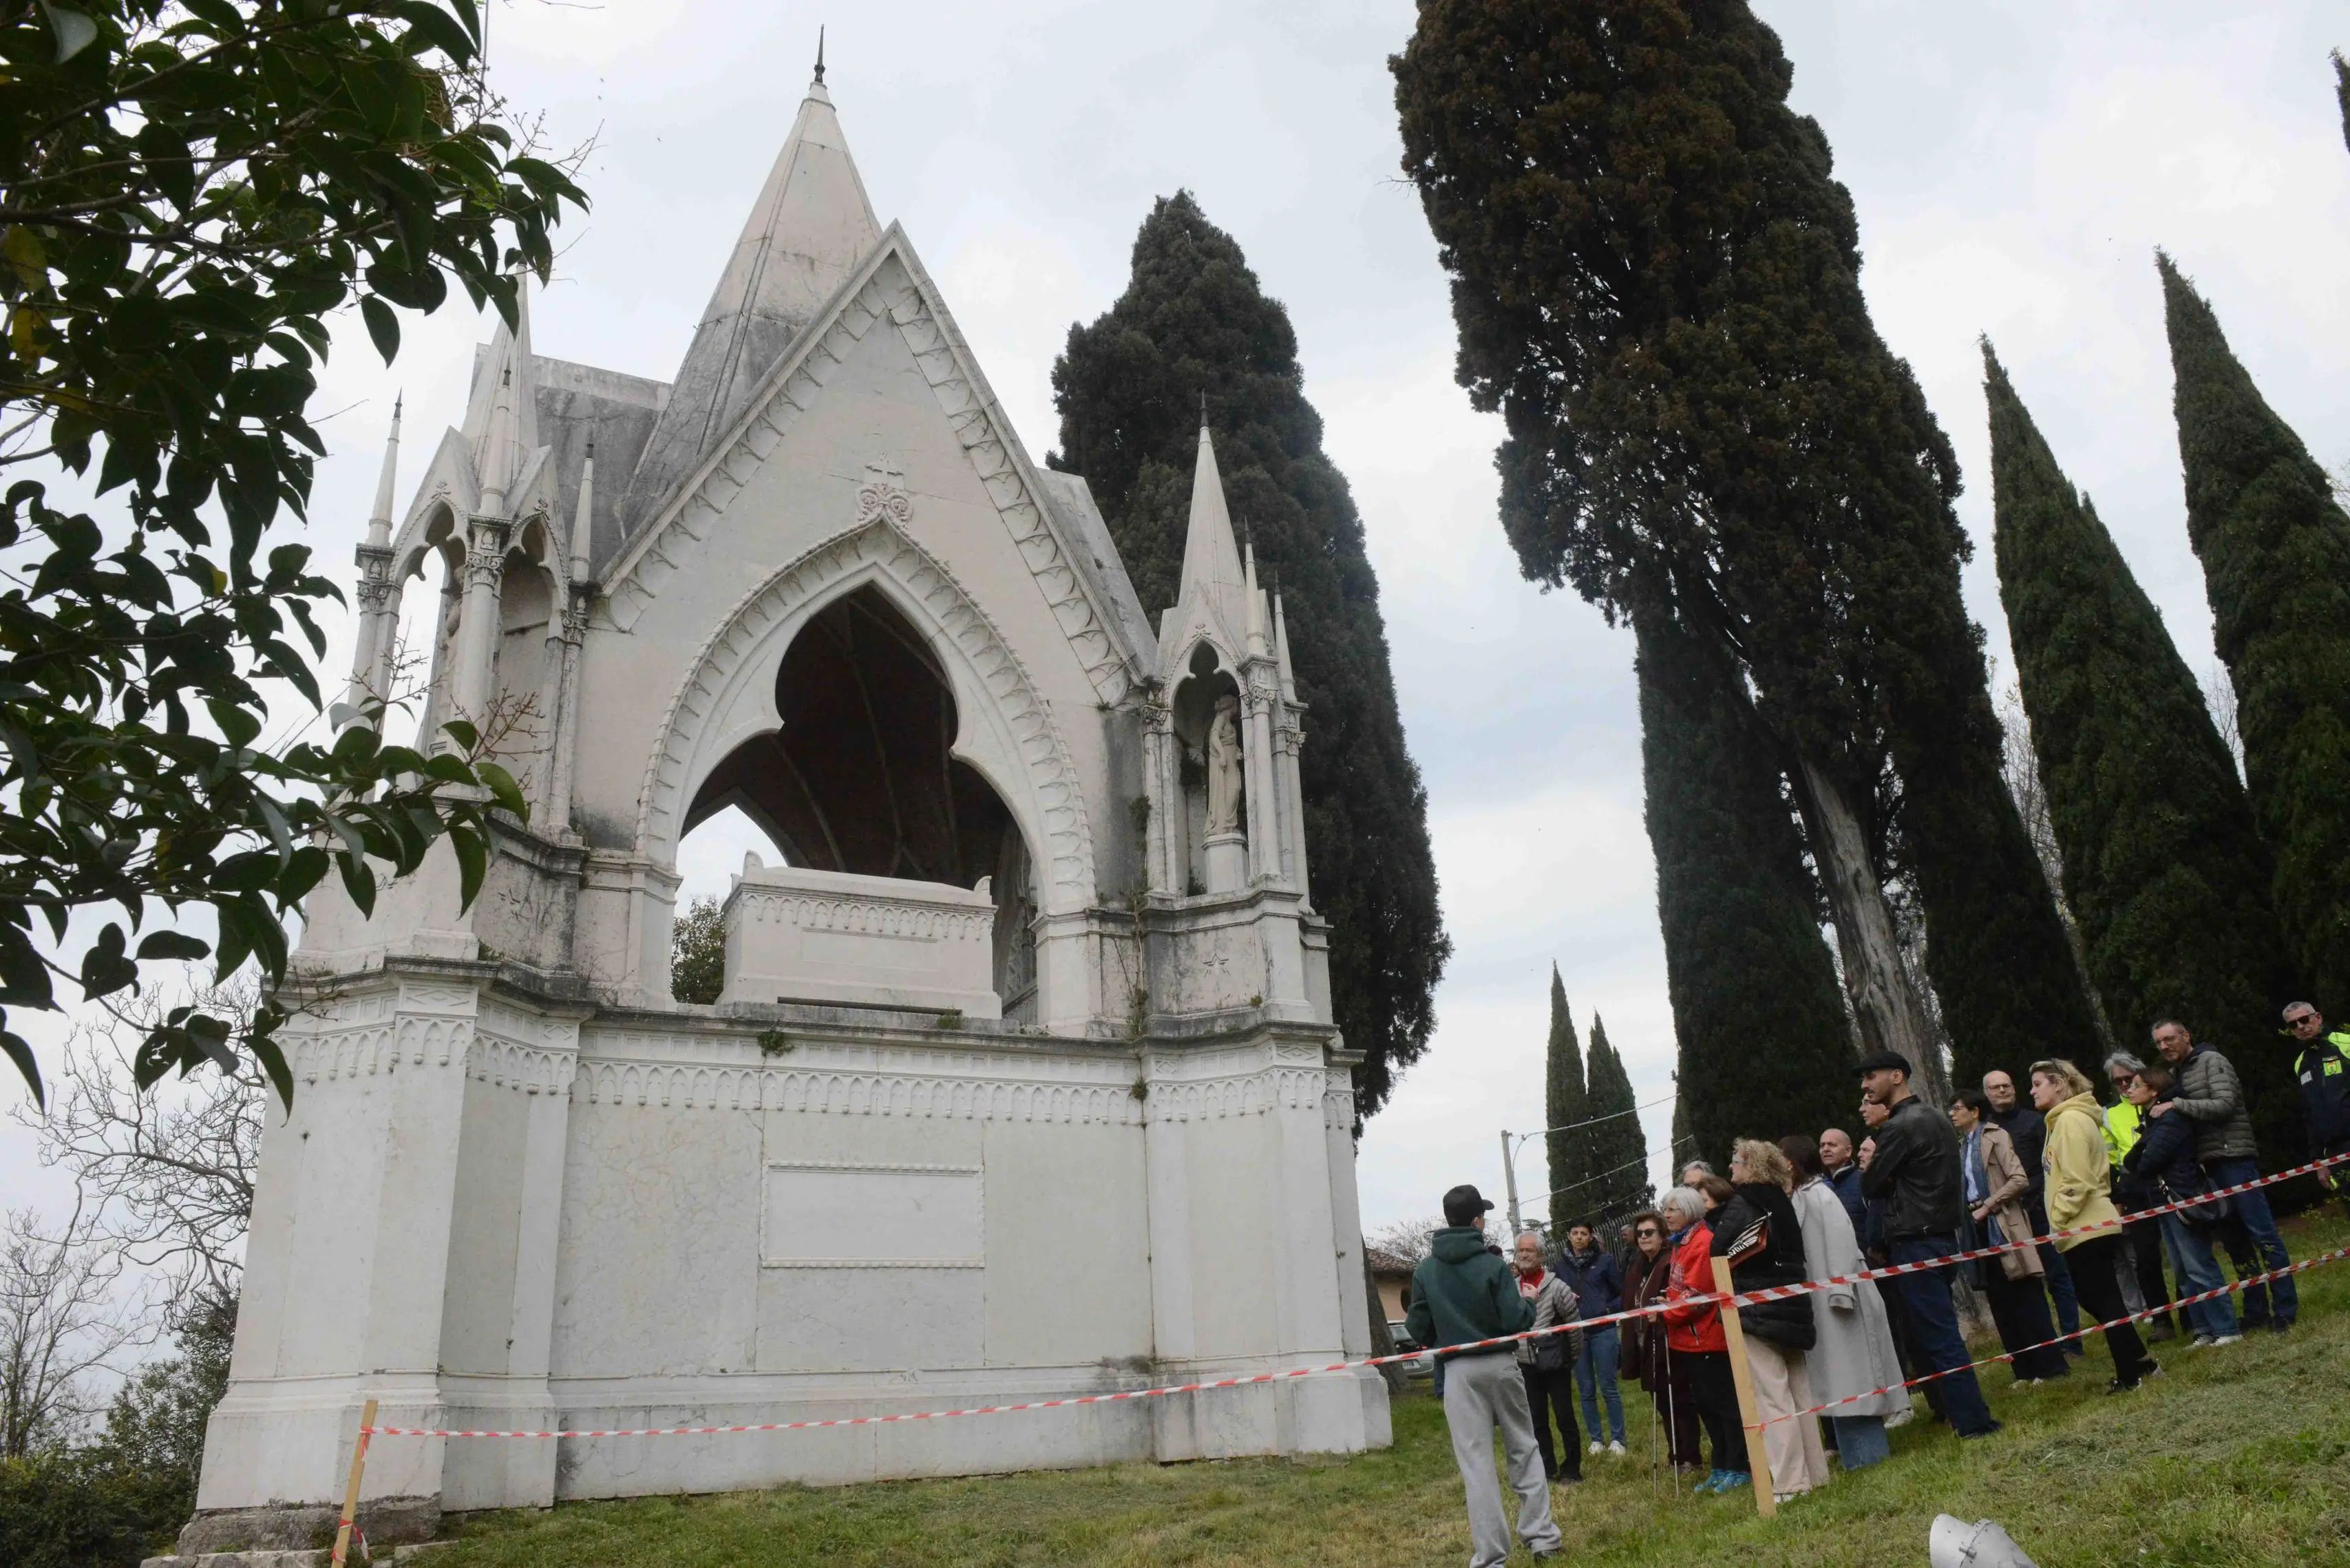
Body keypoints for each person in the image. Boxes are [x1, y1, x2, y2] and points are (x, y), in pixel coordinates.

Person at [1404, 1185, 1562, 1566]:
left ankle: (1490, 1557)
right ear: (1477, 1221)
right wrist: (1528, 1300)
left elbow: (1418, 1328)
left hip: (1458, 1370)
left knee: (1475, 1464)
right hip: (1501, 1364)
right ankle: (1542, 1538)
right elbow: (1516, 1320)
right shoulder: (1493, 1266)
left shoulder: (1426, 1270)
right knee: (1524, 1447)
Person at [1856, 1049, 2002, 1439]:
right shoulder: (1936, 1117)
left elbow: (1870, 1184)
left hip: (1916, 1241)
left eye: (1871, 1076)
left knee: (1938, 1336)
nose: (1865, 1086)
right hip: (1940, 1237)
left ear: (1897, 1076)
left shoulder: (1899, 1126)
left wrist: (1885, 1177)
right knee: (1939, 1332)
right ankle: (1964, 1414)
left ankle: (1973, 1422)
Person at [2151, 1019, 2296, 1333]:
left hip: (2234, 1158)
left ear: (2186, 1036)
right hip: (2206, 1165)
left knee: (2263, 1234)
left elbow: (2225, 1104)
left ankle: (2286, 1309)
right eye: (2159, 1043)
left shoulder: (2211, 1061)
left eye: (2170, 1039)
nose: (2164, 1046)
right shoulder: (2176, 1073)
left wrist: (2177, 1104)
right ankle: (2256, 1311)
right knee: (2235, 1242)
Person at [1782, 1134, 1909, 1470]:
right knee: (1838, 1379)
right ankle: (1855, 1456)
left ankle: (1869, 1457)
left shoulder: (1821, 1195)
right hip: (1824, 1304)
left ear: (1791, 1164)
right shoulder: (1801, 1197)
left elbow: (1841, 1243)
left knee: (1854, 1376)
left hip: (1843, 1301)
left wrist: (1840, 1291)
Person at [1712, 1140, 1828, 1503]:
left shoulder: (1744, 1202)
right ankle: (1815, 1472)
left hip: (1755, 1307)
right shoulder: (1782, 1201)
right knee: (1799, 1390)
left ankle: (1790, 1482)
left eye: (1736, 1162)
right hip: (1792, 1304)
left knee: (1771, 1395)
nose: (1731, 1168)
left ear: (1751, 1167)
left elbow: (1718, 1251)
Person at [2032, 1058, 2157, 1391]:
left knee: (2103, 1299)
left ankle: (2130, 1376)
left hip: (2086, 1225)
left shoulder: (2071, 1120)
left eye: (2038, 1084)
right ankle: (2142, 1361)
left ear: (2059, 1084)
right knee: (2095, 1297)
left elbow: (2078, 1179)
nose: (2032, 1091)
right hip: (2080, 1226)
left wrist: (2059, 1218)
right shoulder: (2062, 1121)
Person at [1948, 1090, 2068, 1384]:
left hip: (2003, 1223)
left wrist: (1989, 1204)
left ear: (1975, 1111)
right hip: (1976, 1226)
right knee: (1999, 1300)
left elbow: (2019, 1179)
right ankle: (2023, 1370)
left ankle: (2050, 1365)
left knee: (2025, 1295)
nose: (1952, 1114)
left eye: (1957, 1108)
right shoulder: (1962, 1147)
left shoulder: (1996, 1136)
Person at [2120, 1064, 2243, 1347]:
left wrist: (2142, 1153)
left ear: (2154, 1090)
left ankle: (2226, 1328)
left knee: (2199, 1265)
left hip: (2180, 1197)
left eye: (2136, 1085)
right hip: (2162, 1202)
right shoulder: (2153, 1120)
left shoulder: (2170, 1119)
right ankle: (2203, 1330)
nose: (2129, 1090)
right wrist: (2141, 1151)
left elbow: (2147, 1163)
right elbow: (2131, 1161)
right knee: (2183, 1272)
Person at [1984, 1067, 2083, 1350]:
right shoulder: (1986, 1130)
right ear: (1986, 1094)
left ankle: (2071, 1342)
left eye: (2006, 1085)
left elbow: (2050, 1165)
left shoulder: (2036, 1122)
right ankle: (2044, 1344)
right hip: (2008, 1216)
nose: (2002, 1091)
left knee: (2058, 1276)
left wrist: (2029, 1192)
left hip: (2039, 1210)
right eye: (1995, 1087)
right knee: (2024, 1280)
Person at [1658, 1185, 1745, 1492]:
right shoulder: (1681, 1243)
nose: (1666, 1215)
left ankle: (1739, 1466)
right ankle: (1720, 1464)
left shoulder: (1703, 1242)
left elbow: (1698, 1295)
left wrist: (1667, 1312)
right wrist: (1668, 1302)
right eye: (1665, 1209)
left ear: (1689, 1211)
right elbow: (1679, 1288)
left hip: (1708, 1338)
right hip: (1688, 1340)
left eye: (1672, 1210)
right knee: (1706, 1406)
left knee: (1724, 1405)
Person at [2102, 1051, 2178, 1342]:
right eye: (2117, 1081)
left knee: (2181, 1250)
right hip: (2134, 1187)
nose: (2123, 1086)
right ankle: (2161, 1320)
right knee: (2145, 1259)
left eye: (2128, 1079)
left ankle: (2190, 1312)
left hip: (2166, 1181)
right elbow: (2109, 1158)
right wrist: (2118, 1194)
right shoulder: (2109, 1113)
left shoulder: (2158, 1103)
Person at [1622, 1208, 1703, 1474]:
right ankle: (1675, 1454)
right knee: (1661, 1402)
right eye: (1640, 1234)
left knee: (1679, 1399)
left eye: (1649, 1232)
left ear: (1661, 1234)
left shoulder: (1670, 1261)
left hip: (1669, 1339)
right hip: (1644, 1341)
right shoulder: (1636, 1266)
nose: (1644, 1237)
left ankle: (1691, 1456)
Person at [1512, 1231, 1584, 1485]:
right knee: (1536, 1420)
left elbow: (1574, 1327)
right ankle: (1546, 1468)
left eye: (1530, 1250)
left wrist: (1570, 1359)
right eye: (1520, 1250)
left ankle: (1572, 1469)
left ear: (1541, 1255)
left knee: (1565, 1416)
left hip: (1556, 1363)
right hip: (1525, 1364)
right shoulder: (1510, 1290)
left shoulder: (1558, 1287)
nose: (1524, 1255)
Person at [1552, 1220, 1627, 1456]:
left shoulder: (1605, 1261)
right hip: (1576, 1333)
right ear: (1569, 1236)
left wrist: (1608, 1309)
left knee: (1609, 1386)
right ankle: (1596, 1439)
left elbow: (1622, 1293)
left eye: (1584, 1233)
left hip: (1604, 1330)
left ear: (1591, 1237)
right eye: (1575, 1233)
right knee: (1585, 1389)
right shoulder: (1559, 1267)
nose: (1579, 1237)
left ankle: (1618, 1439)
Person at [2283, 1002, 2350, 1221]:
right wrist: (2318, 1160)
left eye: (2305, 1020)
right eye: (2293, 1025)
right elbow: (2309, 1114)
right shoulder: (2300, 1064)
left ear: (2318, 1018)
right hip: (2335, 1151)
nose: (2301, 1027)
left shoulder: (2345, 1043)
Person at [1819, 1127, 1866, 1226]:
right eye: (1822, 1145)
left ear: (1848, 1151)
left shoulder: (1864, 1181)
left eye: (1832, 1145)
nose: (1825, 1149)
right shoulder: (1817, 1184)